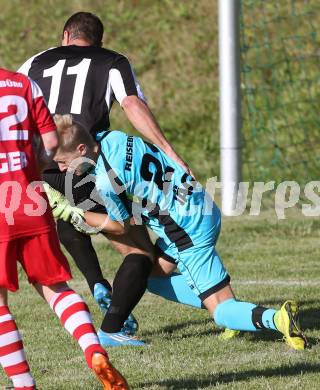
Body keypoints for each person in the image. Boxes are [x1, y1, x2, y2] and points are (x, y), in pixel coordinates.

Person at [48, 114, 308, 351]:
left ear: (81, 149)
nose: (60, 169)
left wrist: (74, 213)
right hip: (198, 203)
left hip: (186, 230)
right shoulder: (116, 138)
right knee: (150, 277)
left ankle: (277, 319)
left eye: (62, 162)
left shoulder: (106, 181)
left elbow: (121, 226)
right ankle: (229, 308)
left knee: (220, 310)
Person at [17, 11, 191, 338]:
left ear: (65, 35)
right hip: (82, 164)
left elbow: (12, 104)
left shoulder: (36, 62)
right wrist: (169, 150)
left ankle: (97, 282)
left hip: (41, 165)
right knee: (139, 255)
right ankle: (115, 327)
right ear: (98, 42)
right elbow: (131, 103)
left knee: (71, 221)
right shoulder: (111, 61)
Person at [0, 68, 128, 389]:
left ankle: (25, 386)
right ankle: (93, 348)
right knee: (55, 287)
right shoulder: (22, 83)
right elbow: (51, 142)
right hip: (29, 199)